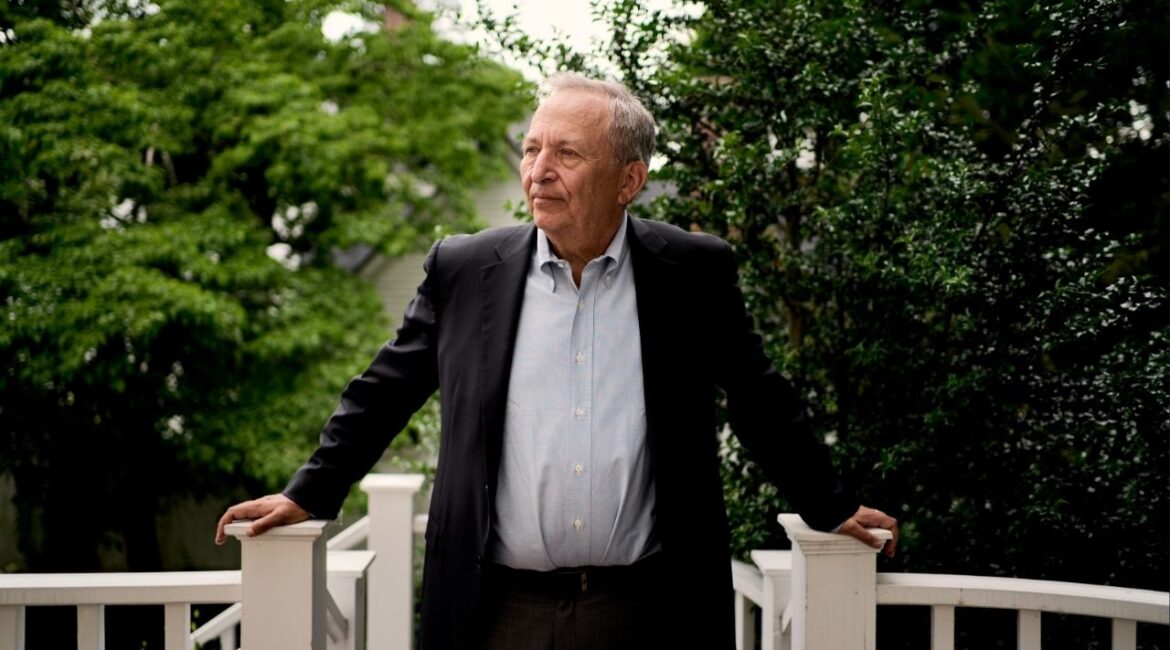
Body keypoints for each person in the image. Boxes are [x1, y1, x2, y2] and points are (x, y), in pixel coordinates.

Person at [215, 72, 898, 650]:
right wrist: (308, 492)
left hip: (651, 608)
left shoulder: (692, 272)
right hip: (496, 609)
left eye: (567, 153)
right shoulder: (465, 269)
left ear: (630, 179)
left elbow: (758, 396)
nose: (538, 171)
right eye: (532, 148)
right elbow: (385, 389)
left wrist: (830, 504)